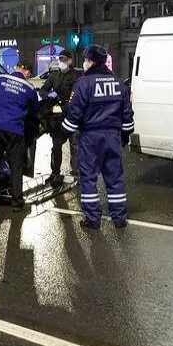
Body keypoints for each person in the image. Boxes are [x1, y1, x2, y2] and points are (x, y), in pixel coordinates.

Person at [63, 45, 134, 229]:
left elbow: (74, 114)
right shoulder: (118, 83)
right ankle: (119, 218)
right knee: (115, 178)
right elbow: (127, 116)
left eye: (86, 60)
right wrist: (124, 136)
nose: (84, 63)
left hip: (91, 138)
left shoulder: (84, 83)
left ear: (91, 61)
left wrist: (62, 132)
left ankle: (93, 219)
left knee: (88, 179)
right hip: (113, 137)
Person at [0, 62, 39, 210]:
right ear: (25, 69)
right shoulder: (29, 88)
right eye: (30, 75)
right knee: (16, 166)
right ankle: (17, 201)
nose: (29, 77)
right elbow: (34, 110)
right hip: (15, 131)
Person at [40, 52, 80, 185]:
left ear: (70, 61)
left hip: (73, 116)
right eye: (60, 59)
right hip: (58, 118)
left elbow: (76, 98)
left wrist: (64, 107)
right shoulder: (54, 75)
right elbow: (43, 90)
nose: (61, 62)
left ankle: (76, 174)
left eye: (64, 59)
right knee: (56, 146)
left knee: (74, 146)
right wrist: (49, 95)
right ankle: (55, 173)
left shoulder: (76, 77)